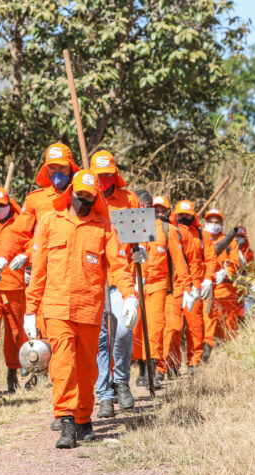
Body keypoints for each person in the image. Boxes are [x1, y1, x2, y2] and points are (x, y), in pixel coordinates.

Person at [25, 170, 139, 449]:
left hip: (90, 308)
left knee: (88, 369)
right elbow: (38, 270)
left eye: (89, 197)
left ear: (95, 197)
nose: (83, 202)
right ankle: (65, 419)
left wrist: (130, 297)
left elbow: (119, 268)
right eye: (79, 196)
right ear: (69, 194)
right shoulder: (50, 222)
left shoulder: (105, 228)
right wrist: (30, 310)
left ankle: (83, 418)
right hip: (57, 307)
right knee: (64, 366)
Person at [0, 143, 81, 342]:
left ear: (71, 168)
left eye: (62, 168)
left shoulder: (82, 197)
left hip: (77, 274)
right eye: (52, 168)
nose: (57, 173)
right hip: (44, 275)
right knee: (42, 332)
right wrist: (3, 257)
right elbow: (18, 233)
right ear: (46, 170)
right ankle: (42, 371)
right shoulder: (36, 200)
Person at [88, 150, 141, 419]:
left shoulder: (128, 199)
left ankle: (121, 379)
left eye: (108, 175)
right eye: (99, 176)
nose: (103, 180)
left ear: (114, 174)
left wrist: (142, 250)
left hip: (122, 279)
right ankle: (105, 394)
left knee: (122, 332)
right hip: (94, 279)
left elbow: (142, 238)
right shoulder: (84, 199)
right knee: (99, 341)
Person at [133, 195, 191, 383]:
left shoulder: (168, 230)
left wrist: (187, 288)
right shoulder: (133, 226)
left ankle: (154, 370)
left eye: (158, 209)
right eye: (152, 208)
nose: (156, 212)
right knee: (137, 330)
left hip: (159, 287)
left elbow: (180, 261)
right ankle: (141, 371)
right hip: (135, 286)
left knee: (157, 328)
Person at [0, 187, 29, 393]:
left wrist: (27, 260)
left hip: (15, 285)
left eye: (2, 205)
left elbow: (29, 243)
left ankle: (12, 372)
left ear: (10, 204)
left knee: (15, 333)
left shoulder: (20, 221)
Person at [174, 200, 216, 362]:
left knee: (195, 326)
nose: (184, 218)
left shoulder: (202, 234)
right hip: (174, 285)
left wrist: (208, 279)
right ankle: (172, 364)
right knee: (173, 327)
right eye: (181, 215)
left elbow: (211, 258)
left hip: (195, 285)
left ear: (194, 216)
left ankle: (194, 361)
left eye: (187, 215)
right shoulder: (170, 232)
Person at [201, 209, 243, 344]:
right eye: (211, 222)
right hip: (205, 285)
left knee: (228, 321)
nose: (214, 224)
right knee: (205, 320)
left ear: (221, 224)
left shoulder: (230, 241)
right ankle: (206, 348)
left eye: (217, 222)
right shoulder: (200, 238)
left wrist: (225, 271)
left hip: (225, 287)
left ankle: (227, 349)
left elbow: (235, 262)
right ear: (205, 223)